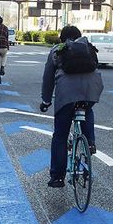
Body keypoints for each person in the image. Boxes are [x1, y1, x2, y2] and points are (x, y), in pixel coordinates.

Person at [40, 25, 104, 188]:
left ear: (63, 38)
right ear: (79, 36)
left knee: (60, 136)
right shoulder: (88, 47)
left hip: (67, 94)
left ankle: (57, 177)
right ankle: (90, 142)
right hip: (92, 90)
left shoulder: (57, 49)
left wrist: (46, 101)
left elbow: (48, 78)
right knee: (87, 108)